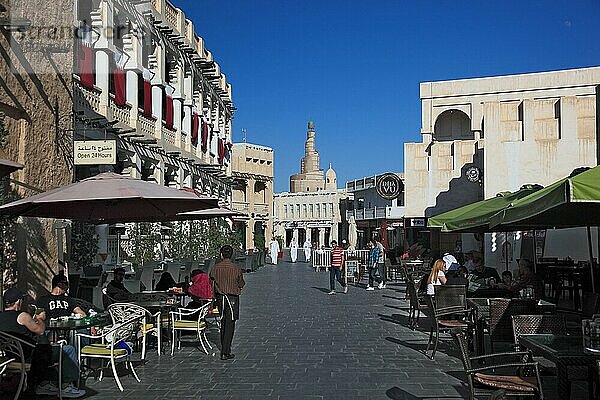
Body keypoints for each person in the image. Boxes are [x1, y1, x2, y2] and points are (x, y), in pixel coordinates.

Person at [0, 287, 85, 398]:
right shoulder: (22, 316)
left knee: (48, 347)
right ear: (18, 301)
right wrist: (40, 318)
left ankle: (44, 384)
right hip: (31, 357)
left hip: (10, 357)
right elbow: (40, 330)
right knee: (67, 349)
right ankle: (66, 386)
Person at [210, 245, 245, 361]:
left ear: (221, 255)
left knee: (223, 321)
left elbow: (212, 281)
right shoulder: (236, 268)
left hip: (220, 298)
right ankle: (225, 350)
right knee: (230, 324)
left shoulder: (215, 268)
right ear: (232, 255)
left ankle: (224, 348)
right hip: (232, 299)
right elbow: (241, 283)